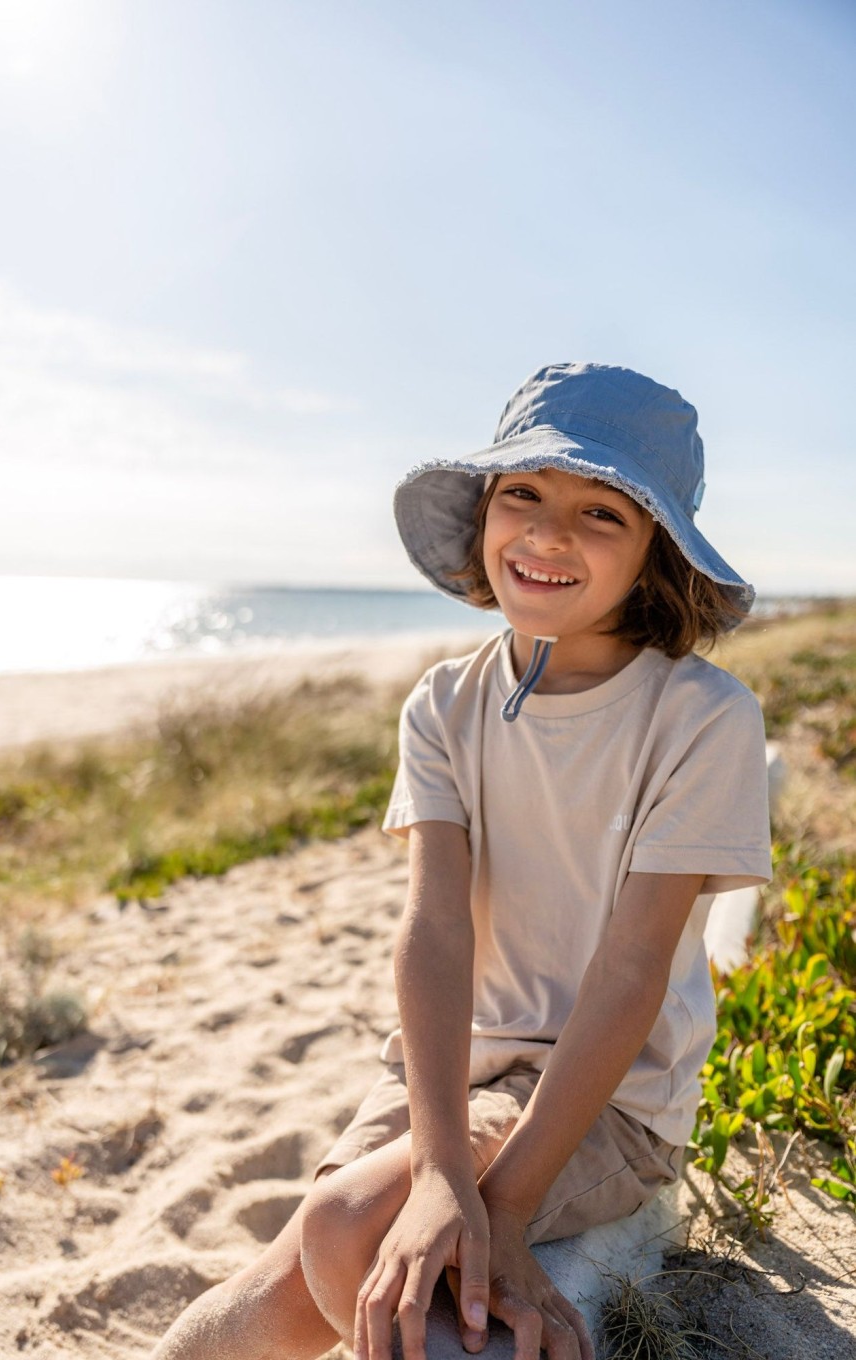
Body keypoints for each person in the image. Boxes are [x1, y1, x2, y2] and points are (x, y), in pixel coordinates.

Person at [154, 363, 772, 1360]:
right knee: (291, 1276)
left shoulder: (702, 716)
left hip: (608, 1094)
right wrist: (443, 1164)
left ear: (655, 547)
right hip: (446, 1064)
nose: (549, 531)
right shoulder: (444, 703)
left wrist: (508, 1201)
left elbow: (631, 967)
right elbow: (436, 930)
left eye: (601, 511)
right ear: (485, 510)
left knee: (342, 1227)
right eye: (521, 492)